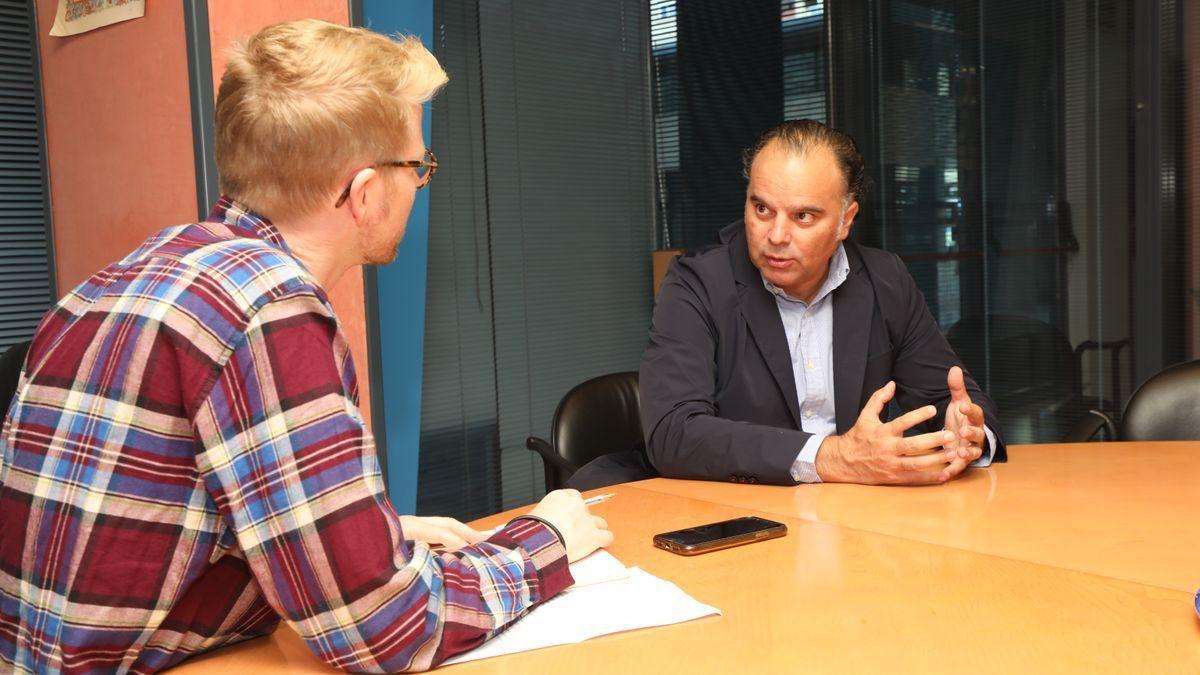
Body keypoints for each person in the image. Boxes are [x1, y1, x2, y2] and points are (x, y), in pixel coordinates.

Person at [0, 19, 610, 674]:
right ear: (364, 193)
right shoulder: (268, 314)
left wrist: (375, 534)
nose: (419, 184)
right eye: (418, 166)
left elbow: (149, 517)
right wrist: (543, 543)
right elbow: (387, 631)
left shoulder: (124, 277)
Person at [631, 119, 1004, 487]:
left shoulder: (884, 279)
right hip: (740, 511)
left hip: (851, 517)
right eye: (762, 209)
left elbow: (949, 396)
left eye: (803, 216)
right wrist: (833, 458)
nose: (776, 235)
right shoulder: (697, 281)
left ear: (846, 220)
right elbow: (673, 431)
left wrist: (968, 431)